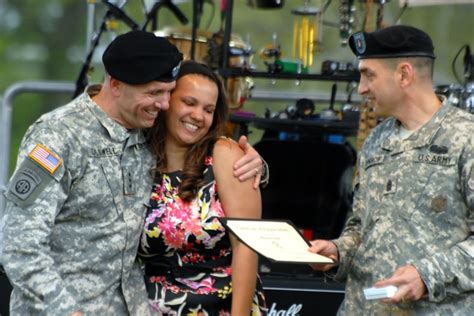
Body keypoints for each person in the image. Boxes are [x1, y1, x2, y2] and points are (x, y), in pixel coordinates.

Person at [1, 30, 265, 315]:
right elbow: (19, 243)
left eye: (168, 92)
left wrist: (258, 166)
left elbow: (199, 160)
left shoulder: (145, 133)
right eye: (154, 93)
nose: (164, 104)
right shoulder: (57, 136)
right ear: (115, 85)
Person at [309, 25, 474, 314]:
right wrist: (338, 251)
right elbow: (361, 225)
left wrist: (426, 274)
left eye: (368, 75)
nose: (361, 88)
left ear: (404, 74)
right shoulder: (376, 140)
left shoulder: (466, 139)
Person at [137, 60, 267, 315]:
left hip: (217, 305)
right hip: (145, 305)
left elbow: (246, 247)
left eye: (208, 109)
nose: (198, 116)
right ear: (166, 101)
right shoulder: (137, 155)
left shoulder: (224, 154)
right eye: (189, 102)